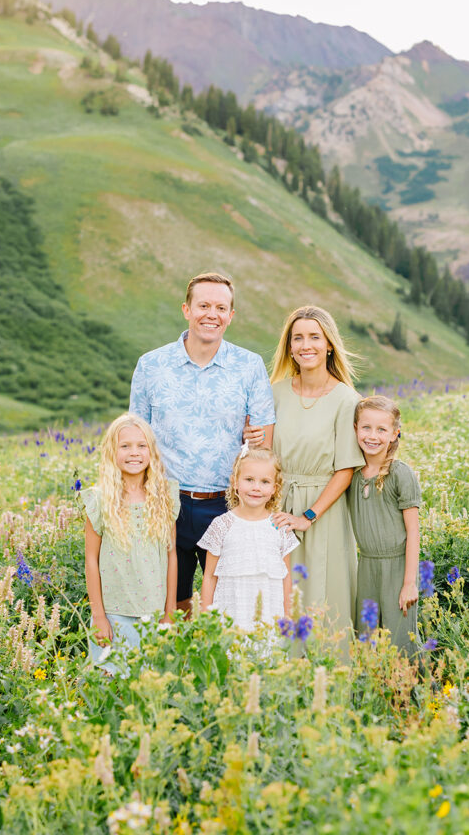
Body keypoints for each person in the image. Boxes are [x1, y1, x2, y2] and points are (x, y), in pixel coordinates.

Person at [129, 272, 275, 614]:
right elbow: (135, 439)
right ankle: (172, 664)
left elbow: (263, 444)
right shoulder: (151, 365)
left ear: (231, 316)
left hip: (226, 504)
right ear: (186, 309)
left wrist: (251, 438)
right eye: (204, 305)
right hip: (165, 502)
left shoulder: (249, 366)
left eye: (221, 307)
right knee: (170, 600)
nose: (212, 314)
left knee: (225, 601)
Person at [266, 306, 364, 643]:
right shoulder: (275, 392)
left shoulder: (345, 399)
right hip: (277, 507)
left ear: (329, 345)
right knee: (279, 597)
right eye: (298, 338)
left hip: (326, 511)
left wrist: (308, 515)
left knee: (324, 596)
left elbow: (346, 469)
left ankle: (329, 682)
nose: (306, 345)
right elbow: (263, 453)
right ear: (289, 346)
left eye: (314, 337)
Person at [83, 413, 178, 673]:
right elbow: (91, 559)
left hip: (154, 613)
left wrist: (170, 612)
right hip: (114, 613)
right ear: (112, 451)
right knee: (111, 686)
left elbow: (171, 555)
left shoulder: (165, 496)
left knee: (149, 688)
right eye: (125, 446)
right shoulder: (99, 499)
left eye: (141, 445)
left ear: (151, 452)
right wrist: (99, 616)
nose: (133, 453)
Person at [347, 395, 421, 656]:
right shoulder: (352, 474)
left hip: (398, 567)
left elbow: (413, 532)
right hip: (366, 566)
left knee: (400, 639)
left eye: (382, 429)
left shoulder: (400, 474)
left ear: (394, 434)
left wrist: (409, 582)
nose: (372, 436)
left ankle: (409, 695)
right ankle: (372, 695)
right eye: (366, 427)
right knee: (366, 639)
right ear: (355, 429)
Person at [198, 445, 298, 629]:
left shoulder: (280, 527)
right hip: (231, 615)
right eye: (249, 479)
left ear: (275, 488)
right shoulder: (222, 525)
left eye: (265, 482)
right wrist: (205, 619)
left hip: (269, 617)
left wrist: (288, 616)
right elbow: (209, 577)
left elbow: (286, 576)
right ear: (235, 482)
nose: (256, 488)